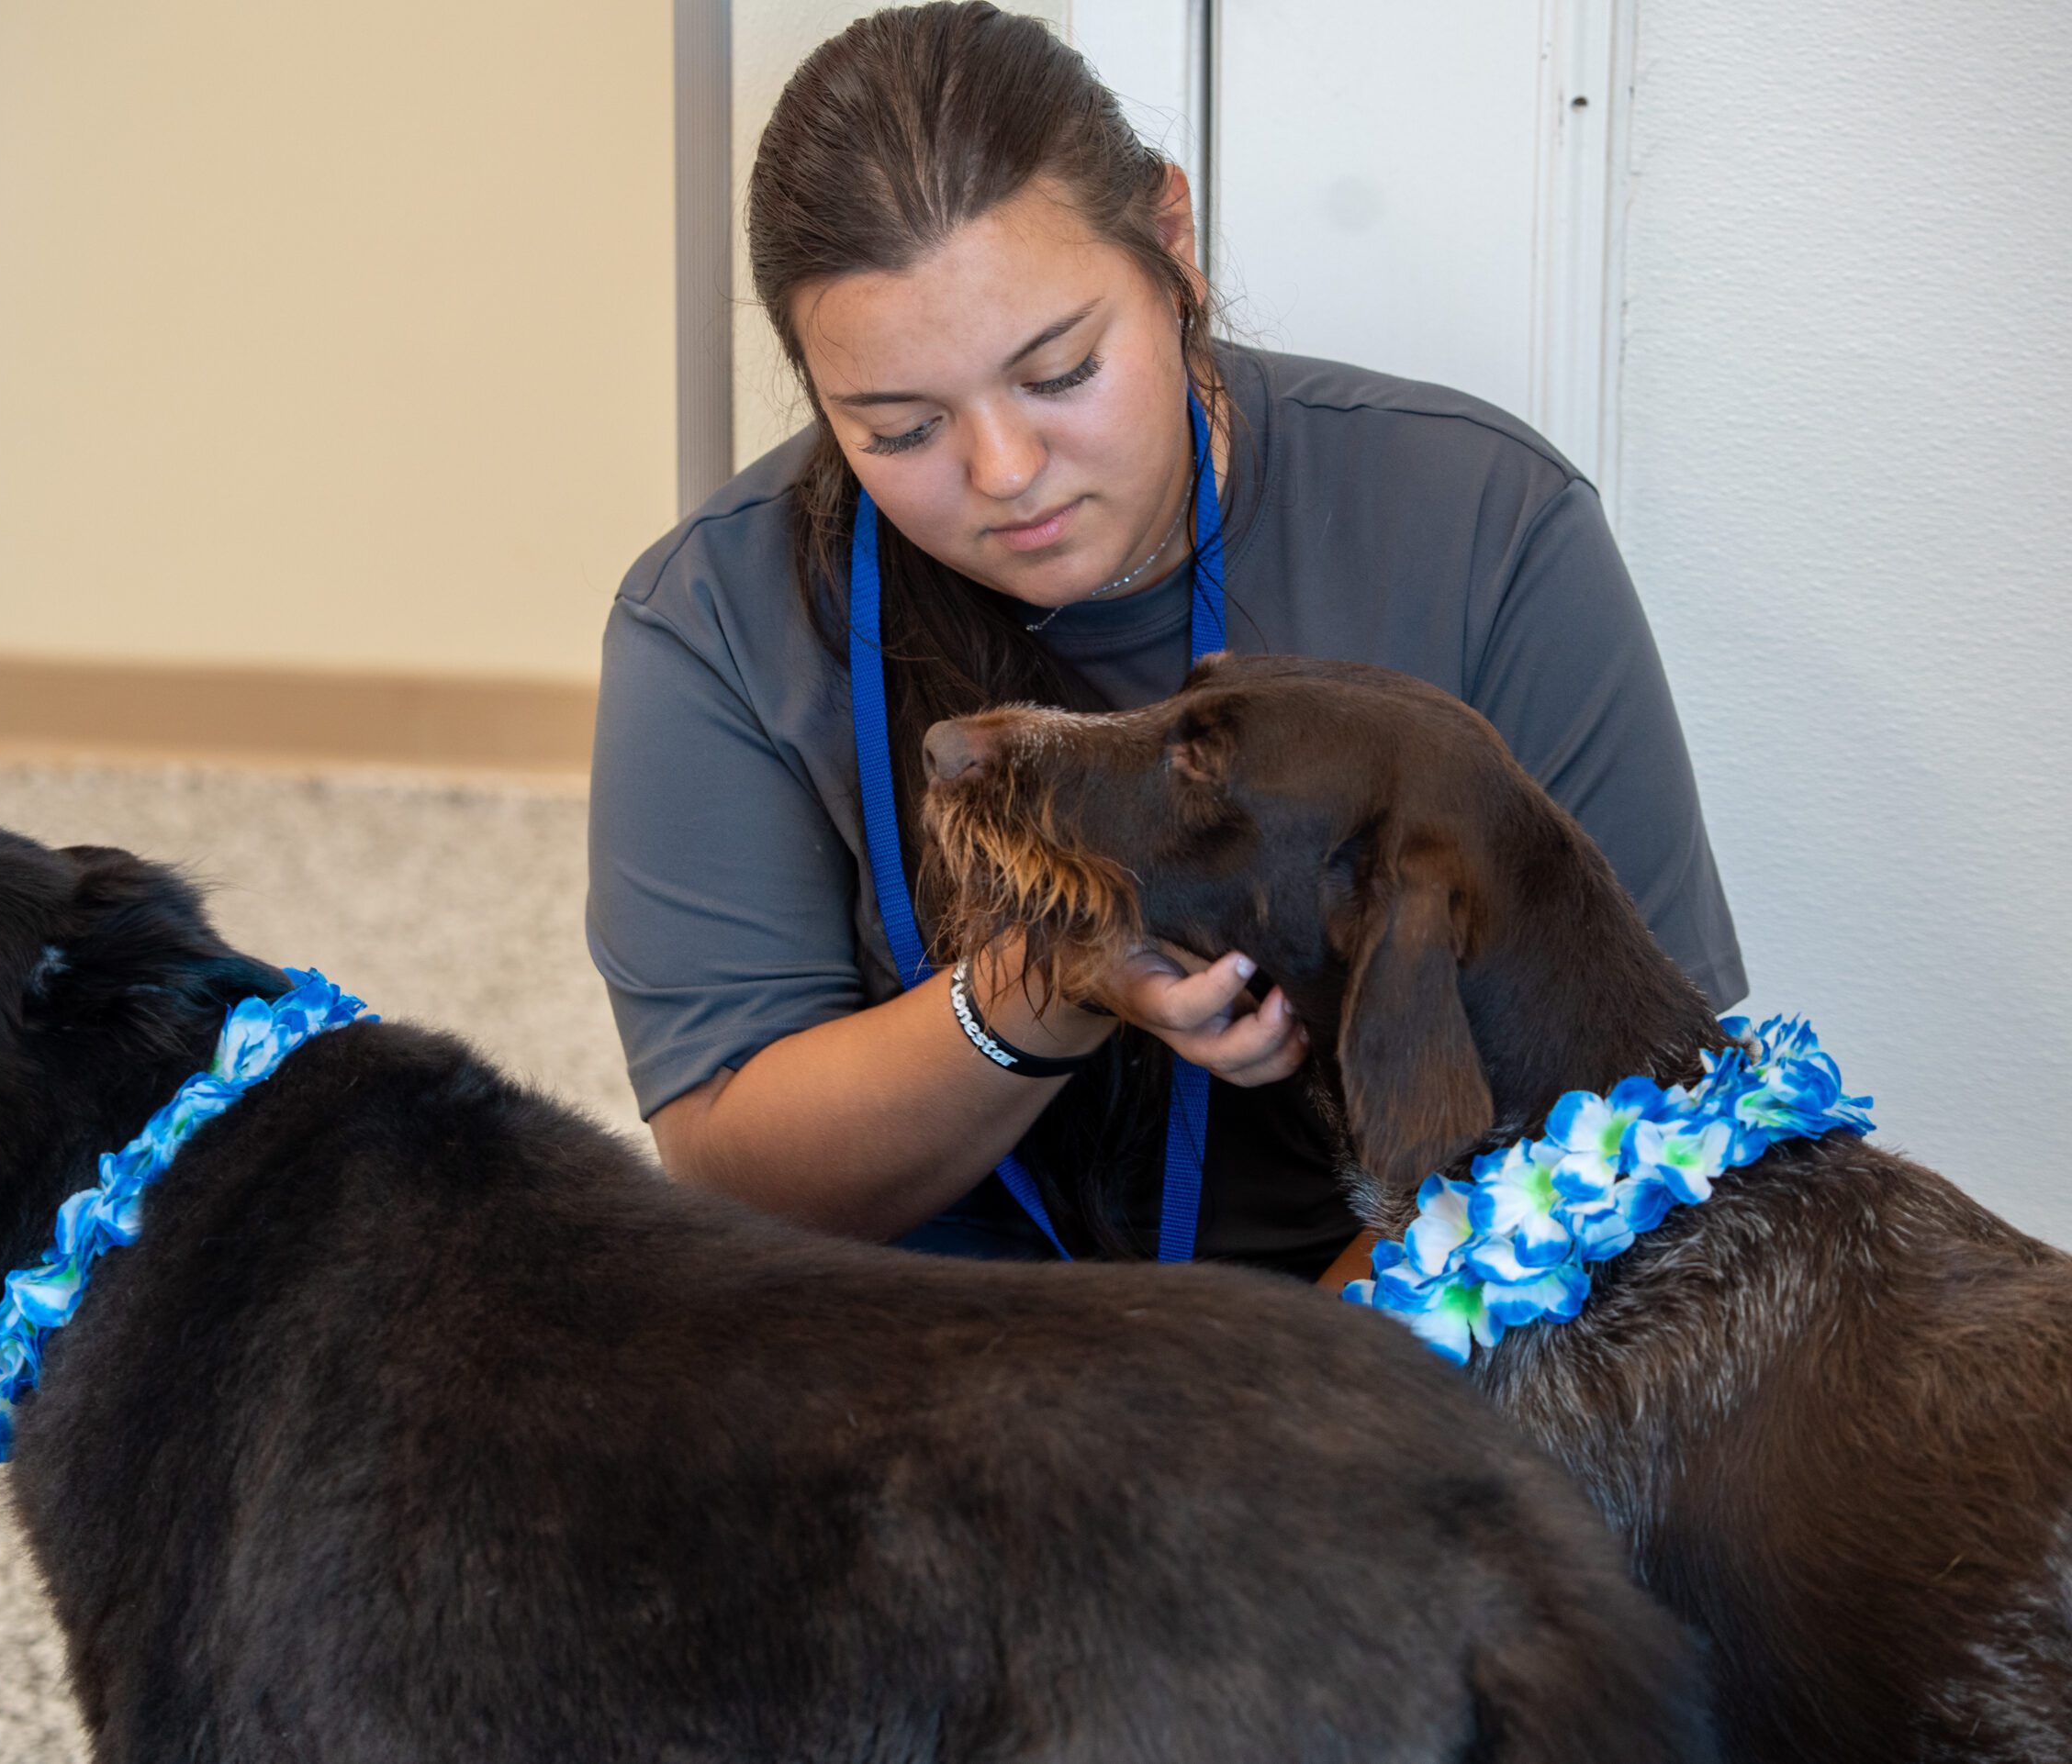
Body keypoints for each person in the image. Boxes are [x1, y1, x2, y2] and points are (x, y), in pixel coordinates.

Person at [587, 1, 1745, 1282]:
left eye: (1061, 372)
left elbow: (1630, 1107)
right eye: (901, 430)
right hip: (914, 1337)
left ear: (1172, 246)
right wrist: (1045, 982)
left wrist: (1290, 1376)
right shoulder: (709, 619)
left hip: (1385, 1338)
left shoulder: (1486, 526)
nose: (1006, 471)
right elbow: (736, 1180)